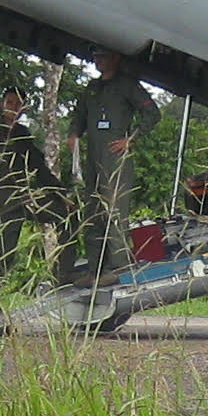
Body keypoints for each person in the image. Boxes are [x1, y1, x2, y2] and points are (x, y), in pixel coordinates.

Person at [67, 48, 154, 287]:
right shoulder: (92, 88)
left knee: (115, 214)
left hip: (115, 160)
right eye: (95, 57)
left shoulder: (127, 85)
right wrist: (74, 133)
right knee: (93, 213)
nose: (98, 61)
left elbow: (152, 113)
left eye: (103, 56)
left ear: (116, 58)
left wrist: (131, 138)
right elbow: (79, 115)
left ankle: (120, 269)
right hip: (93, 159)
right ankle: (95, 270)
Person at [0, 84, 59, 317]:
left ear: (23, 108)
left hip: (23, 199)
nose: (13, 108)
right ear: (2, 104)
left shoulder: (22, 135)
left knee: (65, 215)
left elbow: (39, 168)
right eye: (10, 103)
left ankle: (65, 275)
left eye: (18, 104)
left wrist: (58, 193)